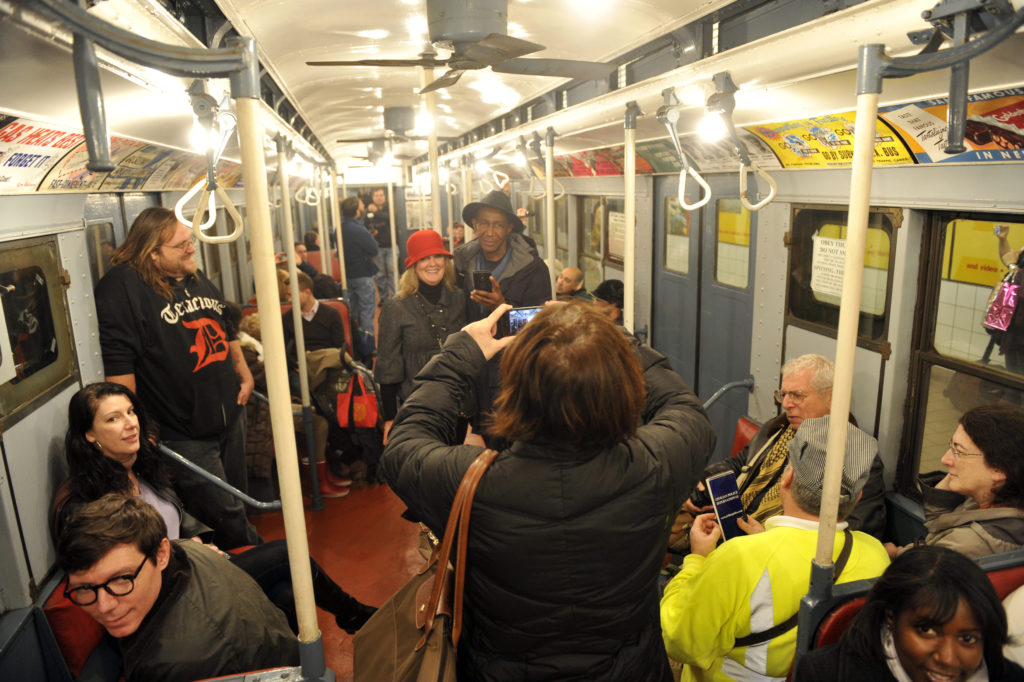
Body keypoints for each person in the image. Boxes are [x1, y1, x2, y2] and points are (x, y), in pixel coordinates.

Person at [382, 302, 716, 681]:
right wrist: (611, 339)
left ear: (515, 392)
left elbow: (404, 444)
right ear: (622, 384)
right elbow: (685, 411)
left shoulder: (470, 484)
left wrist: (460, 356)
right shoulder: (657, 464)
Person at [53, 382, 374, 634]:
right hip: (166, 591)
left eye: (131, 412)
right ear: (90, 435)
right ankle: (354, 614)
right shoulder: (88, 504)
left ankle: (288, 669)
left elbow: (180, 521)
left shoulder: (142, 470)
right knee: (284, 553)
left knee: (286, 596)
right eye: (113, 418)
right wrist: (186, 552)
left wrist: (204, 546)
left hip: (195, 565)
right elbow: (126, 569)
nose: (130, 424)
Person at [661, 415, 891, 681]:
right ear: (858, 497)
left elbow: (680, 641)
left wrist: (697, 559)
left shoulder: (739, 557)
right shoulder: (877, 555)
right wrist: (766, 537)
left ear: (787, 477)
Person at [93, 206, 260, 549]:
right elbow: (120, 370)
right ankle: (271, 576)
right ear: (152, 253)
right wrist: (137, 429)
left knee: (240, 502)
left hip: (230, 413)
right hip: (183, 432)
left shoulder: (192, 276)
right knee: (225, 515)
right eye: (181, 245)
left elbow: (225, 329)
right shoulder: (123, 288)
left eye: (190, 241)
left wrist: (243, 374)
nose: (191, 249)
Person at [58, 493, 298, 682]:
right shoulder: (186, 550)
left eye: (122, 579)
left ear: (161, 554)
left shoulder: (177, 665)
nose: (104, 606)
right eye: (85, 588)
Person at [680, 354, 887, 540]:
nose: (786, 404)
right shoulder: (778, 430)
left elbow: (857, 532)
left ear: (832, 398)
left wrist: (765, 541)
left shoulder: (853, 458)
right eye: (784, 394)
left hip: (777, 548)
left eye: (797, 395)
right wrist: (706, 481)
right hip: (732, 524)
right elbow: (742, 463)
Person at [796, 545, 1024, 682]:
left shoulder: (1009, 677)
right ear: (891, 617)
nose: (947, 658)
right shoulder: (827, 674)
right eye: (926, 630)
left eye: (967, 638)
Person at [454, 189, 550, 439]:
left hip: (514, 368)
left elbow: (539, 326)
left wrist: (502, 306)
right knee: (487, 433)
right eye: (483, 223)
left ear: (509, 228)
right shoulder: (463, 264)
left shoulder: (533, 269)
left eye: (498, 225)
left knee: (515, 437)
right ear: (475, 224)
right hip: (478, 367)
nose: (489, 231)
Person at [886, 403, 1024, 559]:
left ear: (998, 469)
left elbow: (916, 572)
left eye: (959, 451)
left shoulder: (968, 544)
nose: (945, 459)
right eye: (951, 446)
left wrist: (894, 555)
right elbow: (938, 527)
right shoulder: (988, 501)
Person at [375, 229, 469, 445]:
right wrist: (390, 418)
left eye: (437, 256)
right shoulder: (396, 308)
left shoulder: (459, 299)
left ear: (446, 261)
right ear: (413, 266)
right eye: (424, 258)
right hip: (417, 407)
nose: (432, 263)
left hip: (457, 405)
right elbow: (389, 366)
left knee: (450, 464)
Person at [340, 195, 379, 359]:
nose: (363, 206)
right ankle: (368, 347)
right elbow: (373, 249)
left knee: (352, 312)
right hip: (362, 275)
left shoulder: (339, 228)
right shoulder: (359, 229)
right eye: (361, 205)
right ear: (357, 210)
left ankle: (354, 345)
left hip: (346, 275)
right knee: (367, 311)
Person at [365, 187, 395, 302]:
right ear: (373, 198)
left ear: (385, 197)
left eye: (381, 195)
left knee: (393, 272)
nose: (379, 197)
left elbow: (389, 217)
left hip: (391, 245)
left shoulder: (389, 207)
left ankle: (396, 297)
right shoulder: (368, 210)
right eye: (376, 195)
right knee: (380, 274)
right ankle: (384, 298)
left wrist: (376, 212)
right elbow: (364, 224)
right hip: (377, 247)